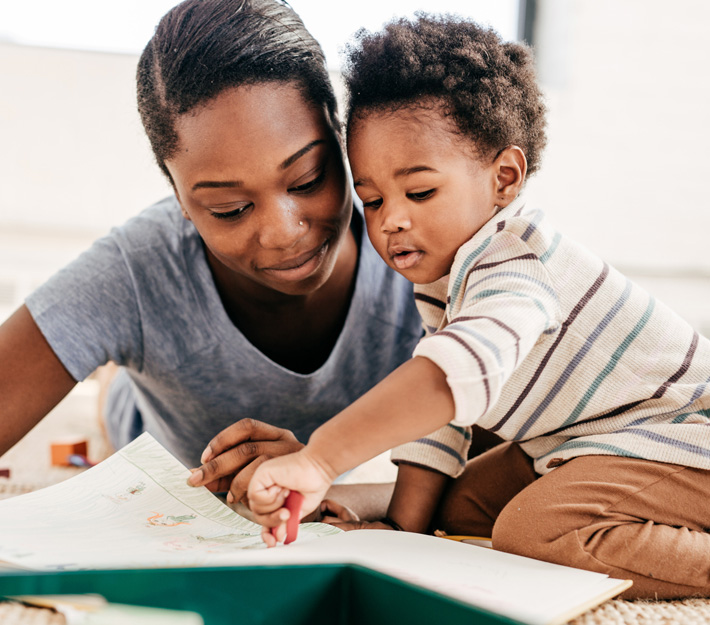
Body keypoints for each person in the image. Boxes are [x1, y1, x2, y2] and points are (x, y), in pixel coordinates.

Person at [241, 14, 710, 600]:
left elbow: (456, 371)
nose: (392, 220)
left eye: (420, 192)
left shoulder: (515, 263)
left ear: (504, 178)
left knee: (535, 530)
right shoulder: (451, 278)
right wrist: (401, 528)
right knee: (456, 503)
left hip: (680, 438)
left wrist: (321, 459)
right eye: (373, 200)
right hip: (585, 443)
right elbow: (445, 416)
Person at [0, 0, 425, 519]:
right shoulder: (136, 269)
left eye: (308, 179)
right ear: (179, 198)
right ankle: (116, 380)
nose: (282, 233)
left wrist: (320, 474)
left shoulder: (419, 244)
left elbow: (511, 471)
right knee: (122, 406)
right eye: (231, 208)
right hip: (148, 431)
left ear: (341, 135)